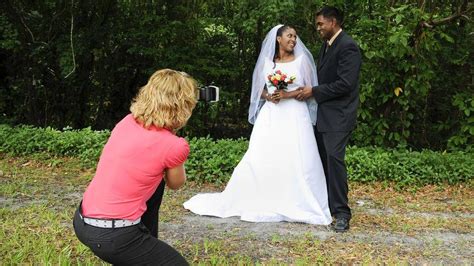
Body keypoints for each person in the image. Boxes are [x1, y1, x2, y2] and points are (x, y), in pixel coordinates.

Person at [183, 25, 332, 225]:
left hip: (295, 115)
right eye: (289, 36)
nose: (294, 40)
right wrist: (269, 95)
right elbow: (259, 90)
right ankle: (262, 196)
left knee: (297, 154)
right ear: (278, 39)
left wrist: (286, 94)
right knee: (264, 154)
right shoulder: (266, 62)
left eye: (295, 37)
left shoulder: (302, 60)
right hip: (271, 114)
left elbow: (308, 90)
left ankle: (297, 199)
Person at [73, 69, 197, 265]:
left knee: (155, 186)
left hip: (83, 221)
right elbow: (176, 183)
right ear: (184, 106)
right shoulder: (174, 145)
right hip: (114, 236)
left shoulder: (127, 122)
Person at [296, 6, 362, 232]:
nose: (318, 28)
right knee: (322, 160)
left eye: (320, 23)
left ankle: (342, 213)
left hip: (340, 116)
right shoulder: (327, 45)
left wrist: (314, 91)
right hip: (324, 115)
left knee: (334, 160)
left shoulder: (348, 46)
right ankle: (326, 206)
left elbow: (346, 84)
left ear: (333, 22)